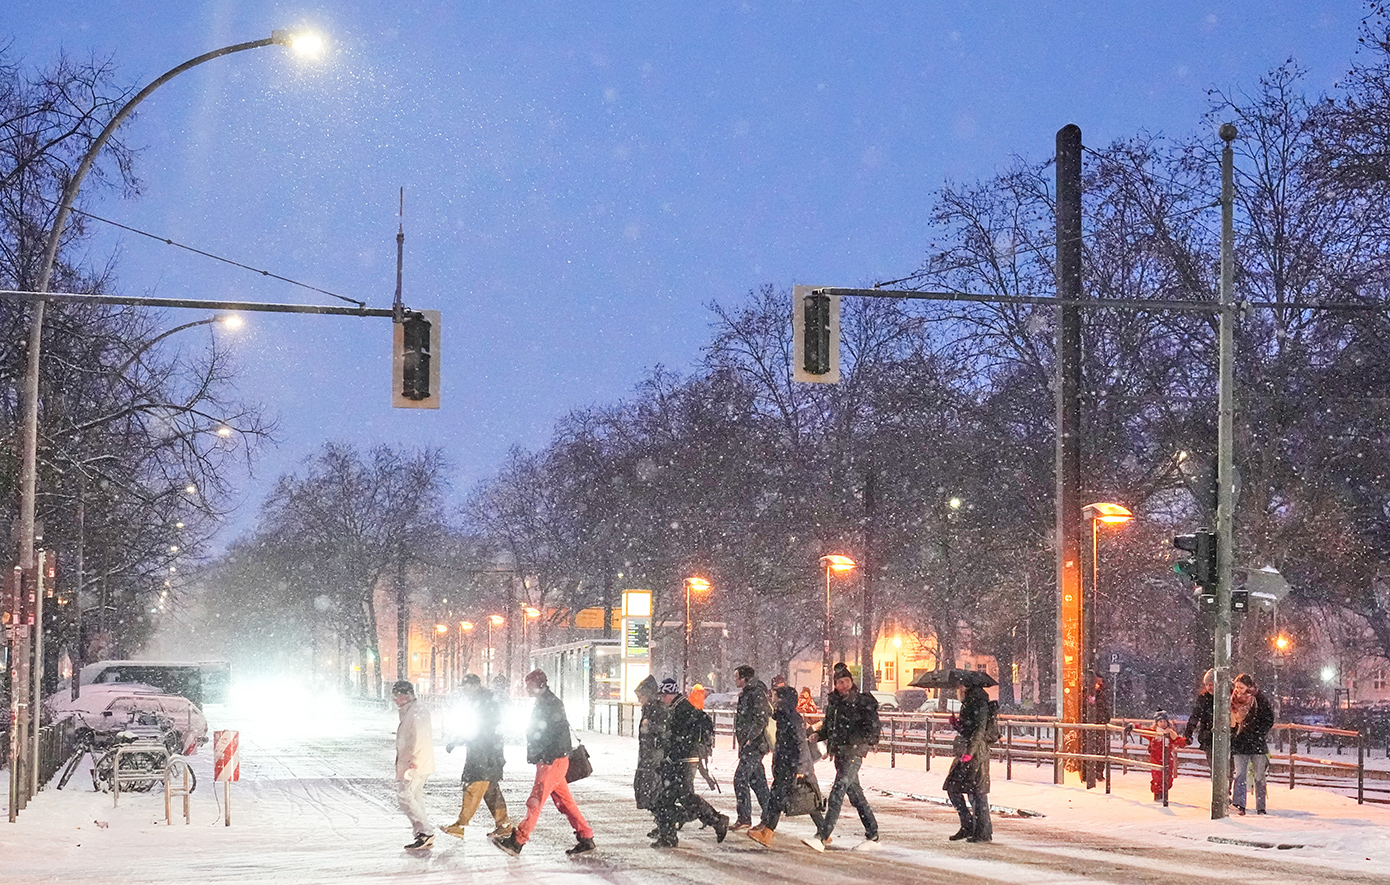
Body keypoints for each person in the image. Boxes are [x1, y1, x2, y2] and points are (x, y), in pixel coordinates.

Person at [491, 669, 596, 856]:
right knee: (566, 802)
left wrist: (545, 755)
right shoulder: (546, 702)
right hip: (552, 759)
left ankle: (517, 841)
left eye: (529, 685)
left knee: (535, 801)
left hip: (552, 761)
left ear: (539, 684)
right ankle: (585, 836)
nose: (526, 689)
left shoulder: (550, 704)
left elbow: (555, 734)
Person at [803, 662, 880, 852]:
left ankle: (822, 835)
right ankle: (873, 834)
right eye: (840, 682)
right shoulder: (835, 704)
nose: (843, 685)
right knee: (856, 796)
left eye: (846, 681)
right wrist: (818, 735)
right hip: (840, 754)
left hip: (853, 753)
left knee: (837, 793)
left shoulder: (861, 702)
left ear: (852, 682)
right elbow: (829, 727)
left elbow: (872, 729)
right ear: (835, 685)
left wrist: (860, 742)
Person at [652, 677, 729, 848]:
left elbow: (683, 739)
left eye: (664, 695)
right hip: (684, 759)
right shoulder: (679, 707)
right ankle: (670, 835)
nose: (662, 699)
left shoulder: (682, 710)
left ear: (671, 693)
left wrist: (671, 756)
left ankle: (715, 820)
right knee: (676, 798)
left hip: (684, 760)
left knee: (674, 799)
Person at [748, 684, 825, 847]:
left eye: (775, 696)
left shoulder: (791, 717)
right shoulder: (785, 716)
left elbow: (799, 743)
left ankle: (767, 833)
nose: (773, 699)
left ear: (783, 699)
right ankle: (824, 830)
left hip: (790, 765)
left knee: (778, 798)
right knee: (803, 798)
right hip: (786, 763)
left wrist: (800, 768)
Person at [442, 673, 513, 839]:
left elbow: (481, 731)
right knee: (490, 790)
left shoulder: (484, 703)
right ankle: (504, 824)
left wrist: (458, 741)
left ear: (475, 686)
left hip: (484, 755)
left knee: (473, 787)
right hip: (486, 754)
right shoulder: (483, 700)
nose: (465, 691)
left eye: (466, 688)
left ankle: (460, 825)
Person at [943, 683, 992, 843]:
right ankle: (969, 825)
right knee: (955, 788)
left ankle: (982, 832)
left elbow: (978, 730)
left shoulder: (978, 703)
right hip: (968, 751)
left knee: (977, 792)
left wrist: (970, 753)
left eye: (960, 687)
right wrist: (957, 725)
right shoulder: (970, 703)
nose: (958, 690)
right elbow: (970, 729)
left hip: (976, 753)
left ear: (966, 687)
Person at [391, 680, 436, 851]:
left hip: (414, 764)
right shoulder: (412, 710)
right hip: (416, 762)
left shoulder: (416, 712)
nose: (395, 699)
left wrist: (413, 762)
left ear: (405, 695)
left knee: (405, 796)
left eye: (397, 695)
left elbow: (419, 738)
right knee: (415, 797)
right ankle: (422, 833)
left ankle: (425, 831)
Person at [731, 664, 772, 830]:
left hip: (754, 745)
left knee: (740, 779)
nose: (734, 680)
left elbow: (761, 719)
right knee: (757, 782)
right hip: (751, 744)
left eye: (736, 676)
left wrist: (749, 738)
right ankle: (769, 816)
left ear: (744, 678)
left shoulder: (755, 693)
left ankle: (744, 818)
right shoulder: (750, 692)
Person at [1230, 673, 1274, 815]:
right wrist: (1234, 732)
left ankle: (1261, 807)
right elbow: (1229, 720)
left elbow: (1269, 718)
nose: (1237, 690)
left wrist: (1258, 732)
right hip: (1239, 742)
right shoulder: (1232, 701)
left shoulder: (1259, 699)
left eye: (1241, 687)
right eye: (1236, 687)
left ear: (1249, 687)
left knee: (1259, 776)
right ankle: (1239, 805)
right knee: (1240, 774)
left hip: (1257, 743)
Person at [634, 674, 668, 833]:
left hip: (655, 758)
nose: (639, 699)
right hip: (647, 756)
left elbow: (665, 732)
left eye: (641, 696)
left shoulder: (658, 709)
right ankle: (662, 823)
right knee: (647, 792)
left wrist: (651, 726)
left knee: (654, 792)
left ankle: (666, 824)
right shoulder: (648, 708)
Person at [1146, 710, 1186, 802]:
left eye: (1164, 721)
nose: (1163, 724)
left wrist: (1186, 741)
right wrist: (1133, 726)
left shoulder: (1170, 733)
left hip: (1167, 759)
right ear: (1156, 723)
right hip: (1156, 759)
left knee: (1168, 778)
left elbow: (1178, 740)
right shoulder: (1153, 733)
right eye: (1160, 721)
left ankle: (1164, 794)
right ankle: (1158, 796)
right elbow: (1143, 730)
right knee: (1157, 777)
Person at [1081, 672, 1111, 789]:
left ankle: (1097, 772)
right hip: (1093, 726)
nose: (1099, 684)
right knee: (1091, 748)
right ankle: (1090, 772)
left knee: (1099, 749)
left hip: (1098, 726)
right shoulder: (1089, 694)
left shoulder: (1101, 694)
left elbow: (1104, 710)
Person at [1182, 669, 1216, 769]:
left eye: (1212, 684)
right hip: (1209, 737)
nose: (1209, 687)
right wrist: (1188, 733)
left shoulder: (1228, 697)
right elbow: (1195, 716)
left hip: (1225, 737)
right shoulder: (1203, 699)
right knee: (1213, 767)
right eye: (1207, 684)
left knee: (1227, 769)